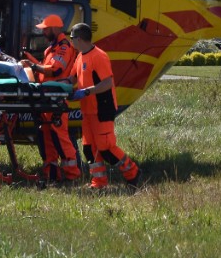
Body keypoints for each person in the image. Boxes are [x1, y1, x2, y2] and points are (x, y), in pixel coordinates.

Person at [68, 22, 141, 190]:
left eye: (72, 38)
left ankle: (133, 172)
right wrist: (62, 86)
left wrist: (86, 92)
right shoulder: (80, 56)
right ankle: (98, 183)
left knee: (106, 148)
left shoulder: (99, 56)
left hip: (102, 109)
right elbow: (72, 78)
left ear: (79, 39)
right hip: (88, 111)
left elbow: (108, 82)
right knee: (89, 148)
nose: (71, 42)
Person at [21, 14, 80, 182]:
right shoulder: (51, 48)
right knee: (46, 137)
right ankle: (52, 175)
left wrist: (33, 66)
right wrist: (29, 60)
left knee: (60, 137)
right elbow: (45, 68)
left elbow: (55, 70)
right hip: (46, 99)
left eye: (46, 29)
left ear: (54, 28)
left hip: (56, 99)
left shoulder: (63, 47)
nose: (43, 32)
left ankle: (72, 175)